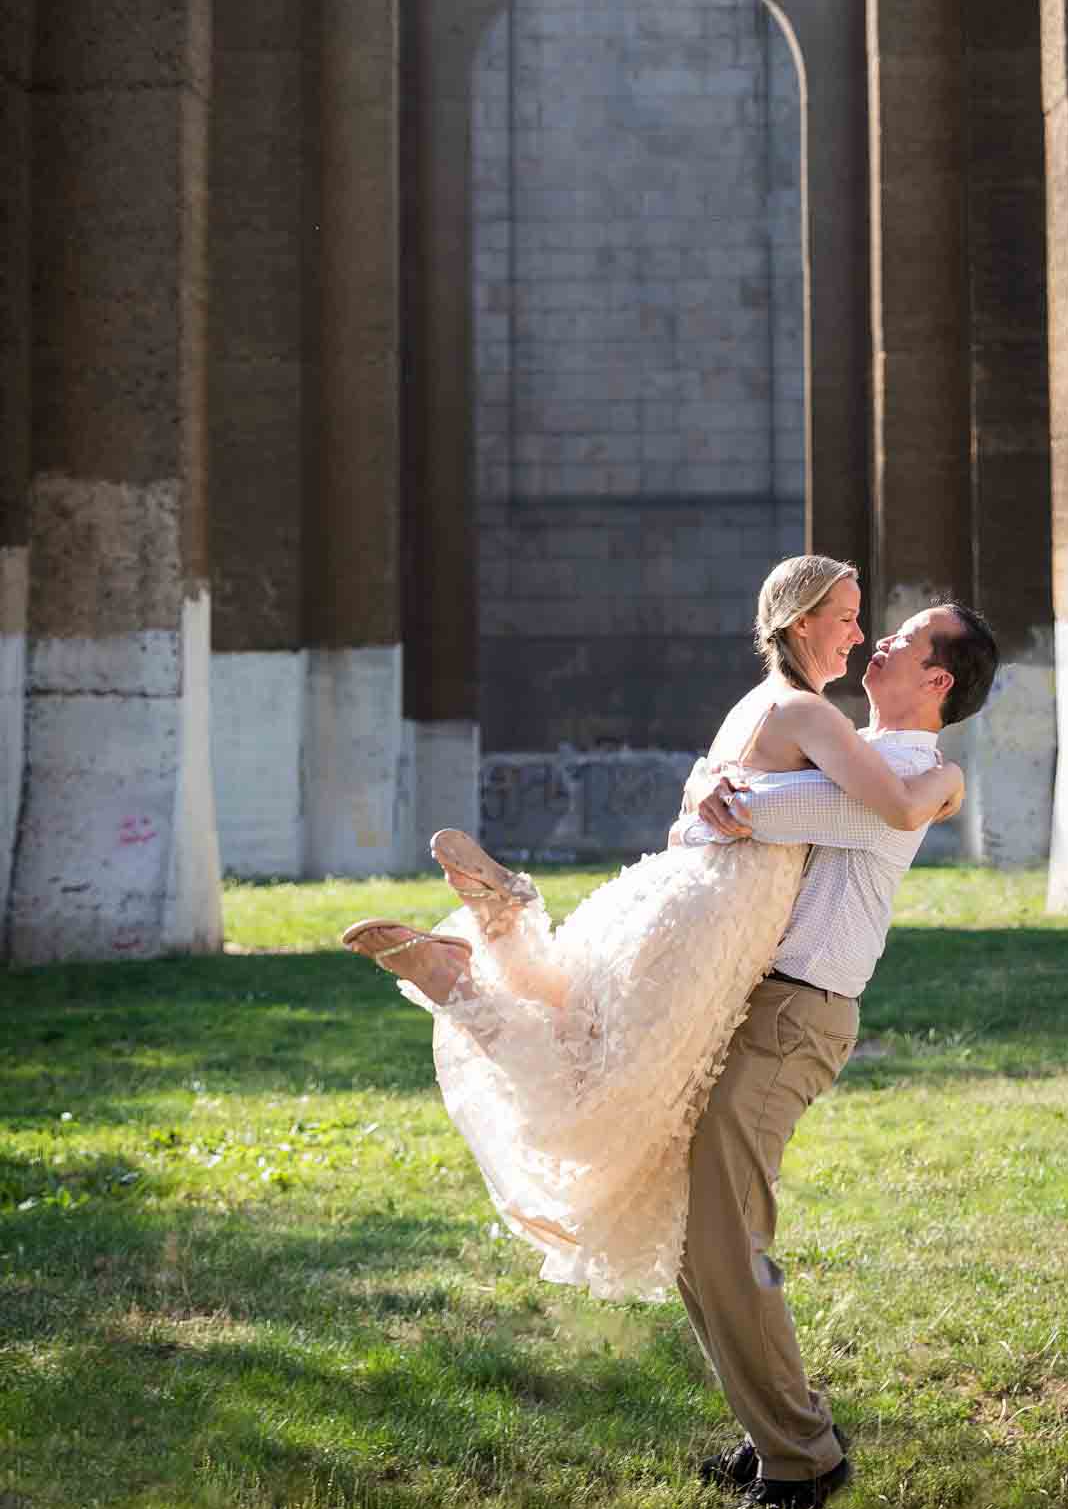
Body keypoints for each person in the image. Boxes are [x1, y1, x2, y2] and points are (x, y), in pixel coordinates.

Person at [340, 557, 964, 1306]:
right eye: (847, 618)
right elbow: (884, 805)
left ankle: (502, 925)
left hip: (664, 891)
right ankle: (459, 977)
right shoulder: (813, 715)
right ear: (803, 624)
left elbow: (720, 793)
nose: (859, 636)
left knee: (580, 1019)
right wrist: (944, 788)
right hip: (715, 921)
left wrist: (703, 788)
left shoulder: (756, 703)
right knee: (597, 1105)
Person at [676, 593, 998, 1509]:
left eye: (902, 637)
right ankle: (777, 1430)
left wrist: (710, 785)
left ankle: (802, 1460)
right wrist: (712, 787)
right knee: (704, 1243)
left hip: (796, 1018)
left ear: (935, 679)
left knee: (726, 1238)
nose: (880, 639)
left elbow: (742, 811)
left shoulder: (908, 776)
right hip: (752, 1007)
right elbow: (731, 803)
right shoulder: (858, 756)